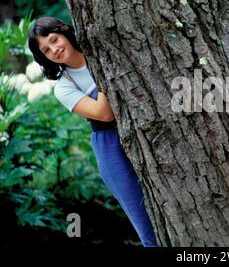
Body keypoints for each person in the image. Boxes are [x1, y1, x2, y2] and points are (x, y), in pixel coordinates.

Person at [28, 17, 157, 247]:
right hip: (110, 146)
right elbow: (104, 113)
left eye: (54, 40)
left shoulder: (99, 49)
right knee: (144, 220)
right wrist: (104, 71)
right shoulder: (63, 87)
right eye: (46, 50)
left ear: (65, 33)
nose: (55, 49)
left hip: (149, 130)